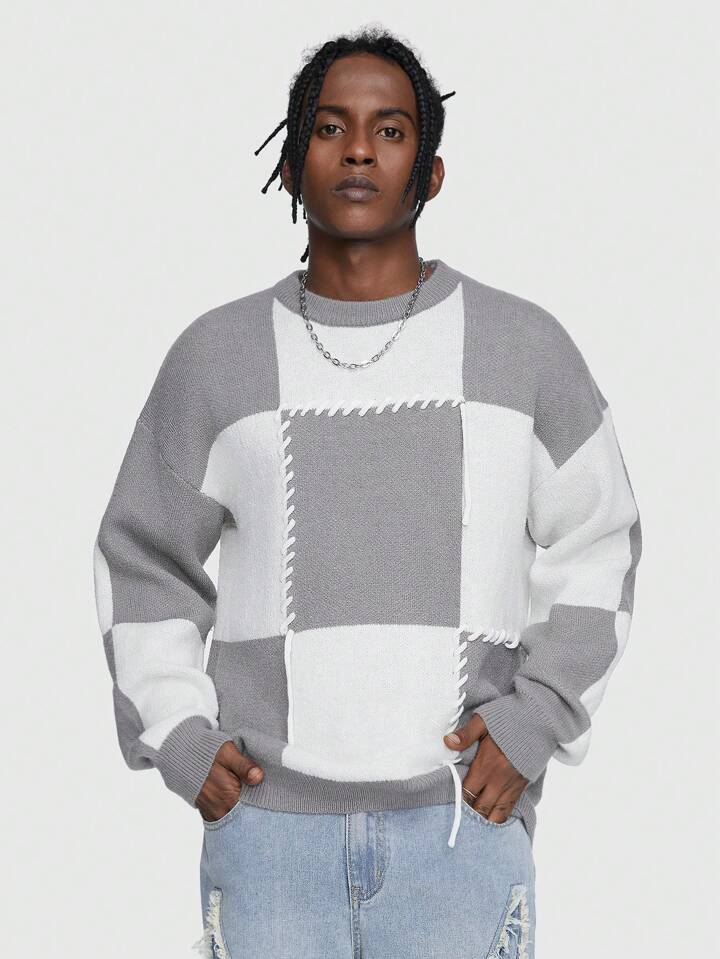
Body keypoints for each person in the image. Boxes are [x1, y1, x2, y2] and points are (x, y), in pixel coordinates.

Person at [92, 26, 642, 959]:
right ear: (290, 162)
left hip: (461, 832)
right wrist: (180, 734)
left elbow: (603, 540)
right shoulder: (215, 357)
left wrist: (536, 717)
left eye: (390, 130)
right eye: (329, 127)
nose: (357, 150)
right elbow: (142, 555)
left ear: (431, 173)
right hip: (267, 840)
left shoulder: (523, 348)